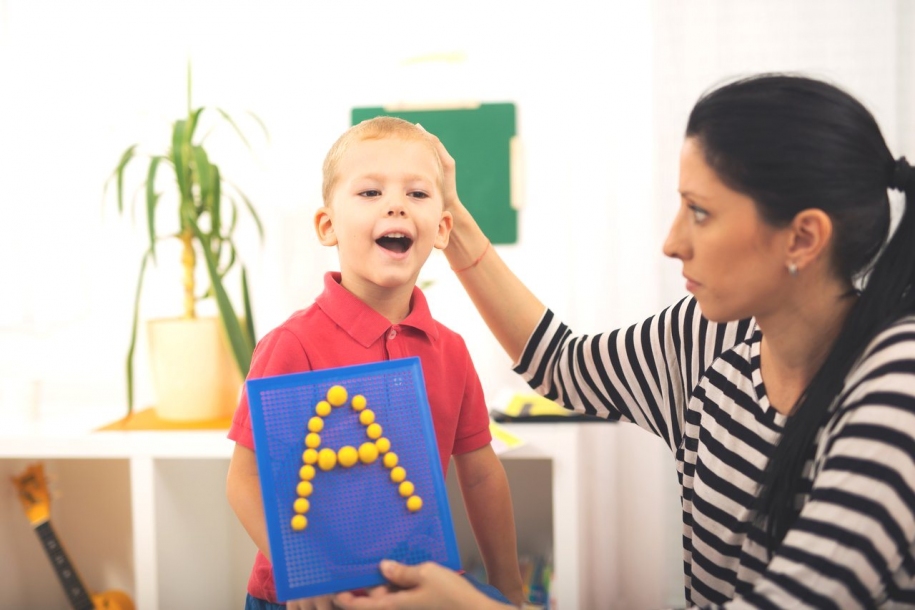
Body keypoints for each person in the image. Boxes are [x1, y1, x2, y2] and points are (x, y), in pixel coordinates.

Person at [334, 73, 915, 609]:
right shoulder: (710, 336)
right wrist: (451, 220)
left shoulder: (897, 386)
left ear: (803, 237)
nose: (671, 242)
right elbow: (563, 365)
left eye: (700, 212)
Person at [226, 116, 525, 609]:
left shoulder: (450, 350)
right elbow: (245, 479)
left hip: (414, 592)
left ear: (443, 229)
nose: (395, 205)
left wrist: (508, 586)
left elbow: (480, 474)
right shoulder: (291, 345)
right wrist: (304, 568)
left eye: (417, 194)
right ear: (327, 226)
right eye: (369, 193)